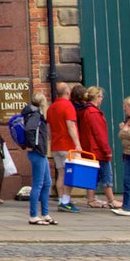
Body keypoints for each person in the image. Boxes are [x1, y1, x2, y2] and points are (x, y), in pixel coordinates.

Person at [19, 92, 55, 225]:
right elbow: (29, 130)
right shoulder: (35, 114)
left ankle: (45, 213)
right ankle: (33, 215)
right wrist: (33, 145)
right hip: (37, 152)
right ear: (42, 103)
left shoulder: (34, 113)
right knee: (38, 184)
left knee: (47, 182)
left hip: (40, 152)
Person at [46, 81, 82, 213]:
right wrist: (78, 144)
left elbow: (48, 128)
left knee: (61, 173)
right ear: (67, 93)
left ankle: (61, 200)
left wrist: (53, 141)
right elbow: (71, 126)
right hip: (68, 146)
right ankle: (66, 201)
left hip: (56, 146)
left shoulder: (51, 108)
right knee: (70, 174)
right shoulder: (68, 106)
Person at [78, 86, 114, 208]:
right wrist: (107, 150)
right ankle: (111, 200)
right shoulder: (93, 112)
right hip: (97, 150)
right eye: (101, 96)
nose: (102, 99)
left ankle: (91, 199)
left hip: (89, 148)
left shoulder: (84, 111)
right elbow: (99, 134)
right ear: (97, 97)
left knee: (91, 175)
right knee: (106, 175)